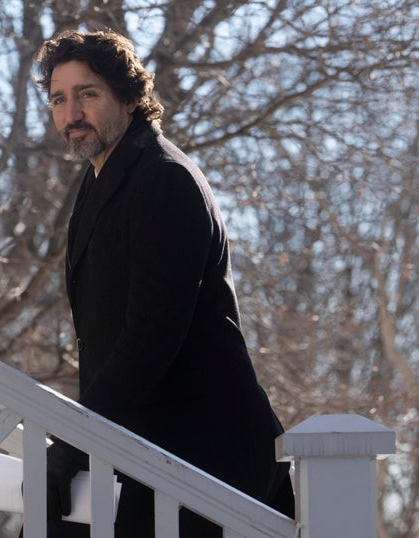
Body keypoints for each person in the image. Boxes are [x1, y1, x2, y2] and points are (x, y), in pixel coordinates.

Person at [33, 28, 295, 537]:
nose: (72, 114)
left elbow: (150, 338)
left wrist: (72, 442)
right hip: (139, 448)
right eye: (58, 99)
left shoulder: (165, 179)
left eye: (88, 94)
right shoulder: (97, 180)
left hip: (206, 456)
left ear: (130, 98)